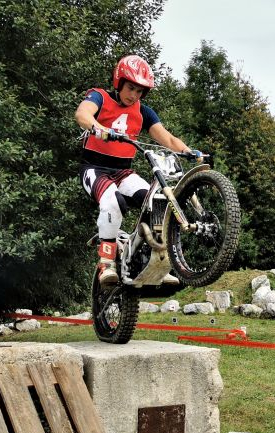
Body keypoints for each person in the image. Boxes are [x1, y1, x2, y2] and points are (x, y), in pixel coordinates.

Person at [75, 55, 198, 286]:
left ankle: (155, 260)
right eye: (130, 88)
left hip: (123, 173)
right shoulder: (100, 97)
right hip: (94, 169)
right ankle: (106, 263)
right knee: (113, 202)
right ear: (119, 82)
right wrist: (99, 128)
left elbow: (168, 139)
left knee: (158, 201)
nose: (134, 95)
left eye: (140, 91)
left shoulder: (143, 112)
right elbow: (83, 114)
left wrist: (189, 152)